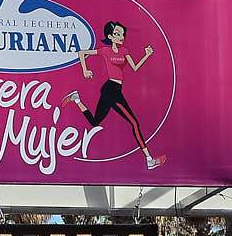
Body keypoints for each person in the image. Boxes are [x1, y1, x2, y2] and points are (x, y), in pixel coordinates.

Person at [67, 20, 163, 169]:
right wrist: (85, 70)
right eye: (118, 34)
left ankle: (77, 99)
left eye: (122, 34)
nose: (121, 37)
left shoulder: (124, 51)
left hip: (114, 90)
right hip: (111, 90)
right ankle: (149, 159)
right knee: (134, 123)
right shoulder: (105, 51)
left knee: (94, 122)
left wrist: (147, 55)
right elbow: (82, 53)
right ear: (110, 36)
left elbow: (135, 67)